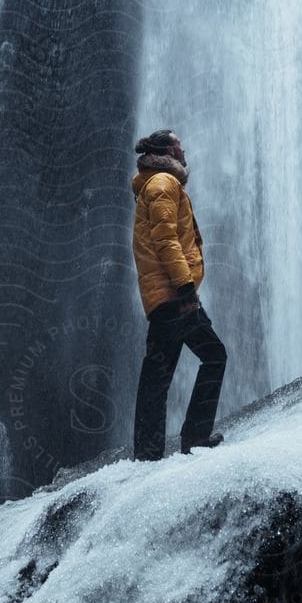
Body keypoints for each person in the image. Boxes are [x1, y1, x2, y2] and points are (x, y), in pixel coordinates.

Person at [130, 129, 227, 459]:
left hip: (163, 299)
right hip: (174, 297)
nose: (185, 150)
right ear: (167, 152)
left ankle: (147, 452)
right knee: (214, 355)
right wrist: (186, 289)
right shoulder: (162, 184)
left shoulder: (157, 184)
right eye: (179, 145)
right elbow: (166, 241)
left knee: (156, 376)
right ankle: (195, 437)